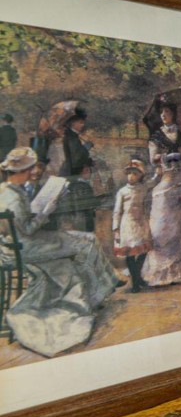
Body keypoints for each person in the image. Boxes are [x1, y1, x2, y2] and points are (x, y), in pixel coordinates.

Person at [0, 146, 119, 357]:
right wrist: (48, 209)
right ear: (21, 171)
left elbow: (22, 223)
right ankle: (100, 290)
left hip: (25, 242)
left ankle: (99, 289)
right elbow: (27, 229)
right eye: (29, 170)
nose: (32, 173)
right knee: (87, 241)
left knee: (84, 240)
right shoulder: (12, 197)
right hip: (27, 246)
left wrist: (38, 209)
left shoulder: (7, 190)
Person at [141, 100, 181, 287]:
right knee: (162, 227)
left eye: (167, 112)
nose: (164, 115)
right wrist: (167, 156)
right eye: (161, 113)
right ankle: (160, 274)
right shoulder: (155, 136)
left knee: (179, 227)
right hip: (166, 179)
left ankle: (179, 274)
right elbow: (152, 159)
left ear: (173, 114)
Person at [31, 102, 98, 235]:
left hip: (60, 176)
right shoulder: (63, 138)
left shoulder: (69, 137)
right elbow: (74, 158)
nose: (82, 125)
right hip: (59, 177)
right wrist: (86, 147)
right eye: (79, 122)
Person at [111, 159, 151, 293]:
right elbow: (117, 212)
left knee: (143, 251)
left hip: (141, 223)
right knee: (130, 254)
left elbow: (154, 182)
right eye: (129, 173)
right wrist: (116, 229)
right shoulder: (122, 192)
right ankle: (135, 283)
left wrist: (159, 172)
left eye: (135, 174)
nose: (131, 176)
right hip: (127, 225)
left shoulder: (143, 188)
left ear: (140, 176)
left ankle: (137, 277)